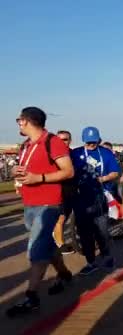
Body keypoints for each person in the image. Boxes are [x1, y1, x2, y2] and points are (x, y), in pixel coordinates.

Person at [6, 107, 75, 318]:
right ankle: (64, 274)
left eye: (19, 119)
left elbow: (68, 171)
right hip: (30, 203)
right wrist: (14, 171)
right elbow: (24, 169)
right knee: (46, 245)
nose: (18, 123)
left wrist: (39, 178)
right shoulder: (26, 145)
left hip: (48, 205)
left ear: (27, 121)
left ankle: (31, 296)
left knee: (35, 251)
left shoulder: (52, 142)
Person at [70, 126, 120, 275]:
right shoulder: (76, 153)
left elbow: (115, 172)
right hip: (81, 199)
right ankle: (91, 262)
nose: (91, 144)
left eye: (94, 142)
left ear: (98, 140)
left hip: (100, 197)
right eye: (88, 142)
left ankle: (107, 255)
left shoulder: (105, 153)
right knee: (84, 233)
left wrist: (102, 179)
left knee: (102, 231)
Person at [52, 130, 77, 254]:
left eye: (65, 139)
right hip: (58, 190)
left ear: (70, 140)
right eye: (60, 139)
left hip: (71, 190)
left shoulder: (73, 154)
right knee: (60, 218)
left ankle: (56, 238)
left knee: (65, 216)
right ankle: (60, 244)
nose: (62, 142)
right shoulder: (52, 155)